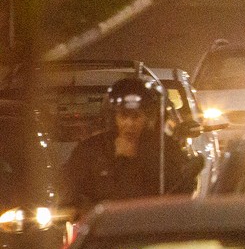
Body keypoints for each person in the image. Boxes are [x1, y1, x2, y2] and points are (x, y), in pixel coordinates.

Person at [63, 76, 200, 211]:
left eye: (136, 116)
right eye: (123, 115)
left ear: (148, 118)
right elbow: (69, 188)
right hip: (105, 229)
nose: (129, 123)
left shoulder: (165, 148)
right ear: (113, 117)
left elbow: (182, 192)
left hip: (151, 226)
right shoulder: (91, 149)